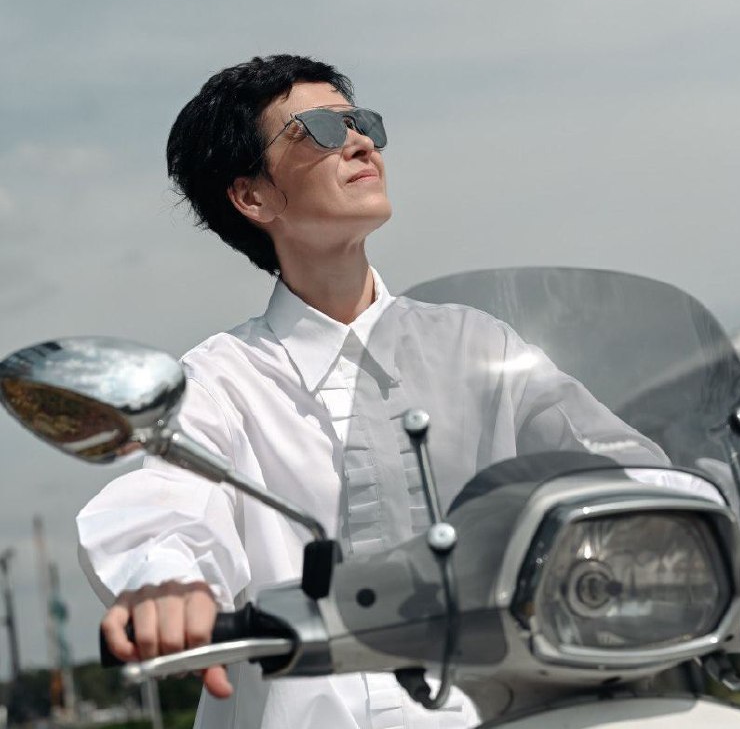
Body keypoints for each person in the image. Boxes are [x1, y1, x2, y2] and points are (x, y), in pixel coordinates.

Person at [77, 54, 680, 729]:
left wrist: (697, 517)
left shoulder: (479, 348)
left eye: (362, 123)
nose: (361, 142)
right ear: (252, 197)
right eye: (320, 129)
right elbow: (167, 504)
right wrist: (168, 583)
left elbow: (620, 467)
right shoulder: (220, 382)